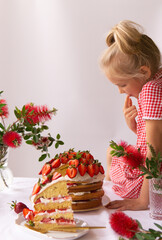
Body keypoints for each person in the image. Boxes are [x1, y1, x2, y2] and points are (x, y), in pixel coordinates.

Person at [100, 20, 162, 211]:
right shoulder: (158, 79)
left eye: (123, 84)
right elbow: (157, 135)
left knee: (113, 154)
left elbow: (155, 150)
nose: (120, 91)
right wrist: (135, 126)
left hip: (156, 174)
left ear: (143, 71)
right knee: (114, 153)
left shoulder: (150, 90)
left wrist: (144, 200)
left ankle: (115, 193)